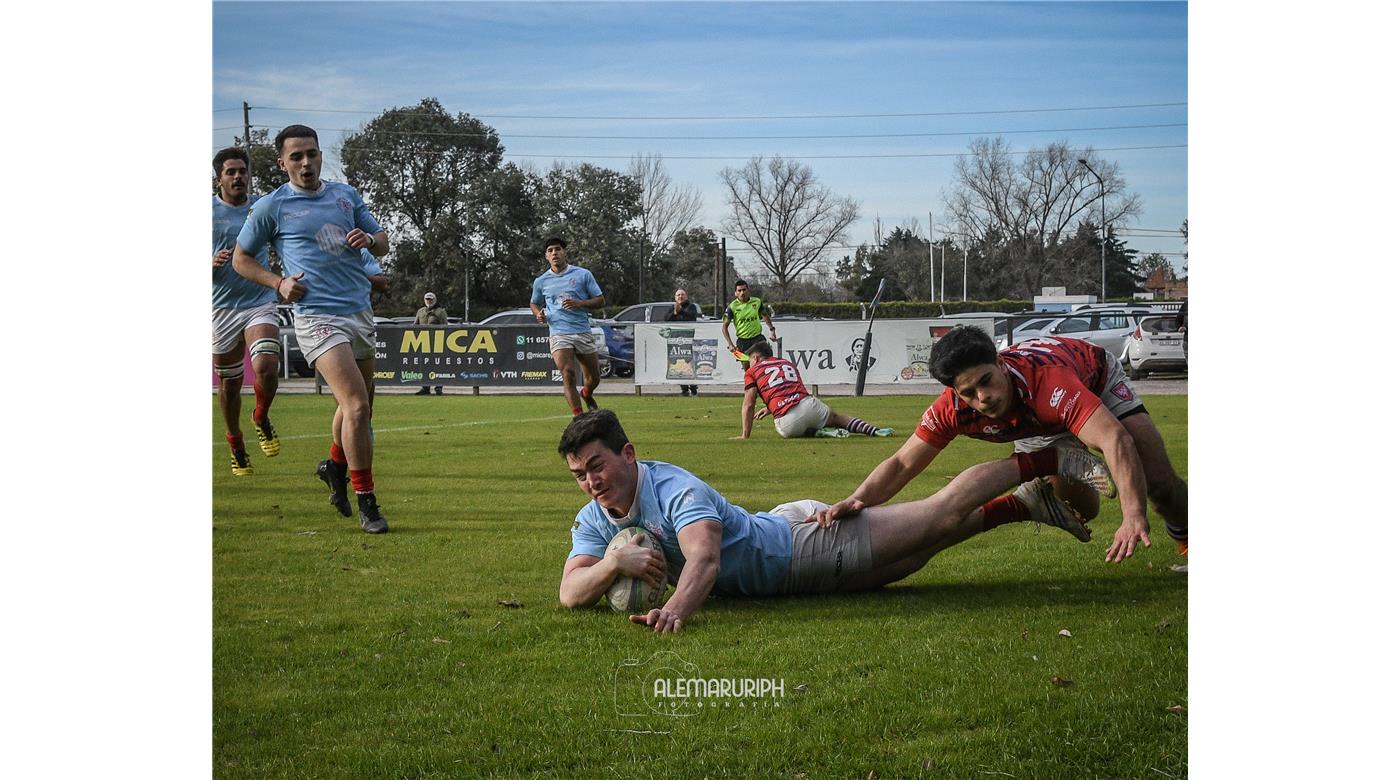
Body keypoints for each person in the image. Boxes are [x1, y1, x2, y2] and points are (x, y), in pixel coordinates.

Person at [558, 410, 1109, 634]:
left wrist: (672, 613)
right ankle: (1025, 504)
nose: (591, 481)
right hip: (784, 565)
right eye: (580, 473)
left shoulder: (674, 488)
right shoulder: (593, 517)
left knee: (935, 516)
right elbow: (569, 592)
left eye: (598, 466)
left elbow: (704, 558)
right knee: (918, 551)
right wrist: (612, 563)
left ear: (628, 454)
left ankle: (1045, 460)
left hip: (796, 549)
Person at [812, 326, 1188, 564]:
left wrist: (1132, 513)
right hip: (1036, 421)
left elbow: (1114, 438)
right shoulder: (952, 409)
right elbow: (902, 463)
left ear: (1000, 362)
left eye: (986, 381)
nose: (983, 398)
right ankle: (1054, 460)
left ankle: (1189, 542)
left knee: (1157, 481)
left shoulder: (1048, 383)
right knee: (1083, 508)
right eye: (969, 392)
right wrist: (859, 498)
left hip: (1092, 378)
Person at [232, 124, 392, 534]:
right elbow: (241, 260)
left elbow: (383, 240)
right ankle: (367, 501)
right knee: (356, 406)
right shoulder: (272, 206)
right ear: (282, 162)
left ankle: (334, 466)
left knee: (359, 407)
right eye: (297, 156)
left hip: (358, 310)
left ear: (322, 156)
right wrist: (278, 283)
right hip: (316, 316)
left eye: (313, 154)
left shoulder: (344, 195)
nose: (306, 163)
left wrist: (369, 240)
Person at [211, 146, 282, 477]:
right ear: (218, 179)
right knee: (229, 386)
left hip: (260, 301)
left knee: (267, 366)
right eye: (231, 172)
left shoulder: (261, 208)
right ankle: (235, 441)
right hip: (221, 307)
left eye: (243, 171)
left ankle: (260, 415)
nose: (238, 177)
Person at [739, 340, 893, 439]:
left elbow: (749, 404)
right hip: (809, 406)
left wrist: (745, 435)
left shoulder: (752, 371)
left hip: (787, 425)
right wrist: (768, 408)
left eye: (750, 359)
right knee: (836, 417)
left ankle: (816, 432)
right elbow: (788, 390)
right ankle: (874, 430)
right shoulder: (786, 363)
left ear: (756, 358)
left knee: (793, 428)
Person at [530, 237, 605, 415]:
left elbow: (600, 300)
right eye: (550, 250)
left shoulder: (583, 274)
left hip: (581, 330)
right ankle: (578, 417)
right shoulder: (541, 281)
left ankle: (587, 393)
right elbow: (534, 303)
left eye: (557, 249)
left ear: (565, 252)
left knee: (593, 378)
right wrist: (538, 314)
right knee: (568, 372)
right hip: (558, 332)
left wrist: (580, 303)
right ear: (546, 256)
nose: (554, 253)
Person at [721, 279, 777, 368]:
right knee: (748, 370)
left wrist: (772, 330)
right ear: (735, 293)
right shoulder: (732, 307)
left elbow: (765, 316)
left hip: (758, 339)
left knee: (764, 366)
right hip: (743, 342)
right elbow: (724, 328)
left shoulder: (757, 302)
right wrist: (730, 344)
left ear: (748, 291)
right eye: (739, 290)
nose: (742, 292)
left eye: (744, 290)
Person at [665, 288, 701, 396]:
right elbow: (666, 319)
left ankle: (694, 388)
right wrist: (674, 313)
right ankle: (684, 389)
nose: (680, 297)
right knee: (678, 365)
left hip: (689, 341)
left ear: (686, 296)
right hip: (676, 341)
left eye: (682, 295)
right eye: (678, 295)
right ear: (675, 298)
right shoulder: (672, 308)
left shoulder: (691, 307)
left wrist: (680, 311)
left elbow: (691, 317)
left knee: (690, 364)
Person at [415, 291, 448, 395]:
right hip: (423, 343)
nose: (429, 301)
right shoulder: (420, 311)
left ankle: (439, 387)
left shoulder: (440, 312)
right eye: (427, 299)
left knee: (438, 365)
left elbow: (445, 326)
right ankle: (425, 387)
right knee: (424, 365)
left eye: (431, 299)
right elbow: (415, 325)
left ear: (434, 300)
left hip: (436, 342)